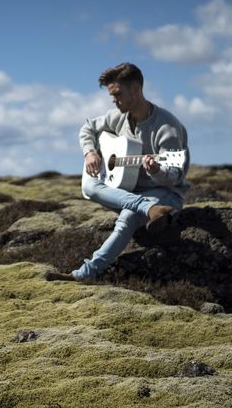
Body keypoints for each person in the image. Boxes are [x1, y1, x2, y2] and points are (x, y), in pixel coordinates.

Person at [47, 62, 190, 282]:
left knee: (127, 216)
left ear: (136, 90)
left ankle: (84, 274)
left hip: (165, 193)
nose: (113, 100)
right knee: (89, 186)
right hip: (131, 191)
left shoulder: (166, 127)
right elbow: (87, 128)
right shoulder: (118, 116)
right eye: (111, 95)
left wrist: (157, 170)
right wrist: (90, 153)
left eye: (117, 94)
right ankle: (149, 208)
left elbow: (174, 176)